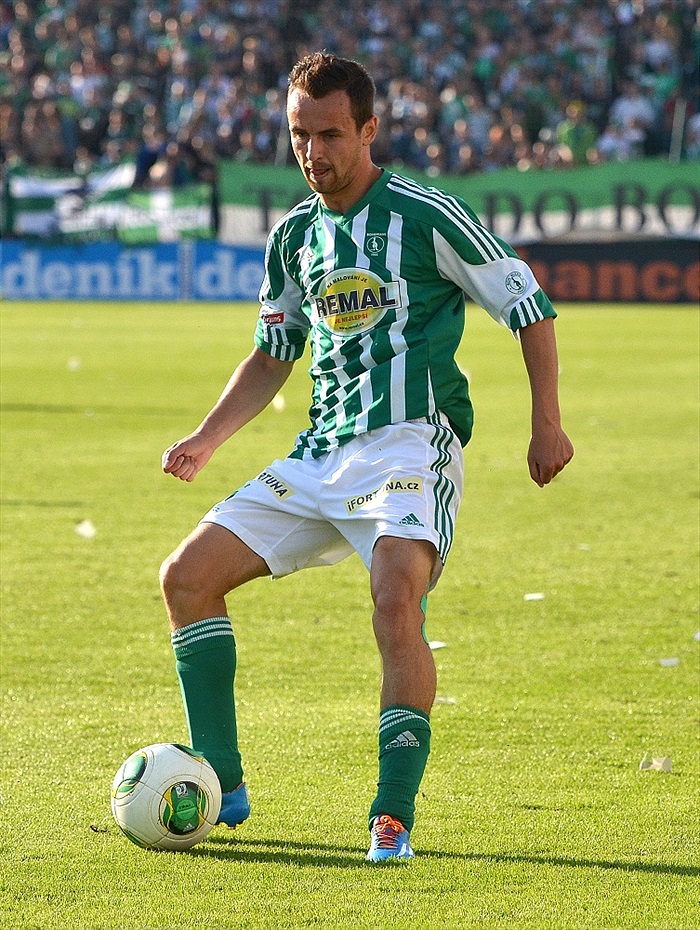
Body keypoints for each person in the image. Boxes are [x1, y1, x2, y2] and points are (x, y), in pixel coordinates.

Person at [160, 52, 574, 863]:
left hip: (411, 442)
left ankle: (392, 814)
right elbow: (273, 353)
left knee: (395, 594)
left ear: (369, 130)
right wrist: (208, 437)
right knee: (185, 578)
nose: (313, 153)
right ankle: (224, 782)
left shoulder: (426, 214)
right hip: (320, 453)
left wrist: (546, 425)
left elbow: (529, 307)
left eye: (330, 135)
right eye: (298, 136)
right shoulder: (293, 237)